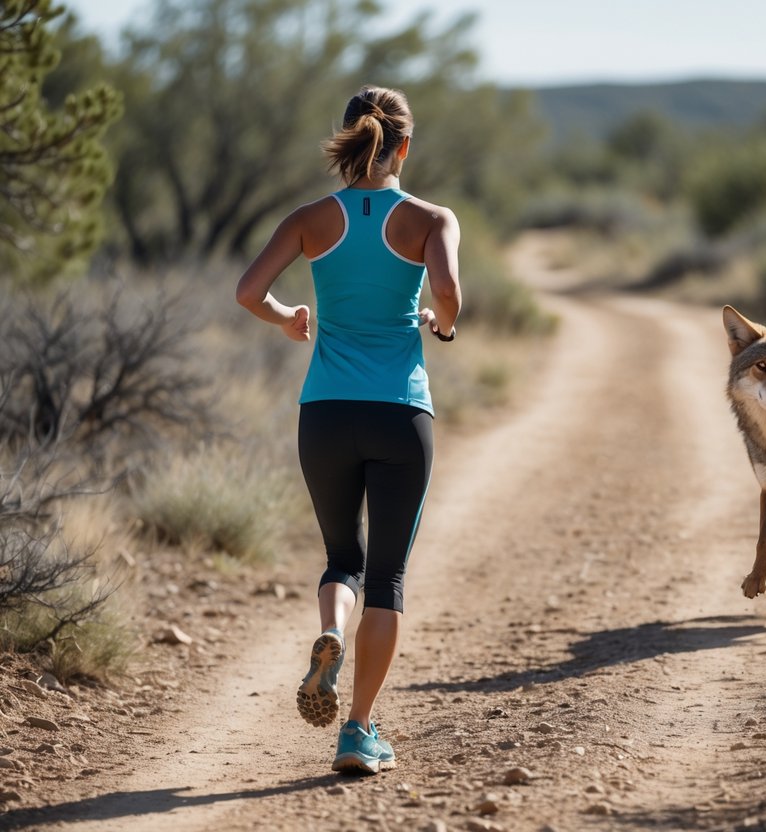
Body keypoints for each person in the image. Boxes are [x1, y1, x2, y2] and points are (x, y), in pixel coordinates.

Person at [236, 85, 461, 774]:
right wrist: (442, 324)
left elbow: (249, 290)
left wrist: (287, 318)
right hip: (400, 415)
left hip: (325, 414)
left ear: (348, 140)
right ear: (404, 146)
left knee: (342, 559)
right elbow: (448, 294)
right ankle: (357, 730)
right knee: (387, 580)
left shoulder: (309, 218)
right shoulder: (429, 218)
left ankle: (330, 630)